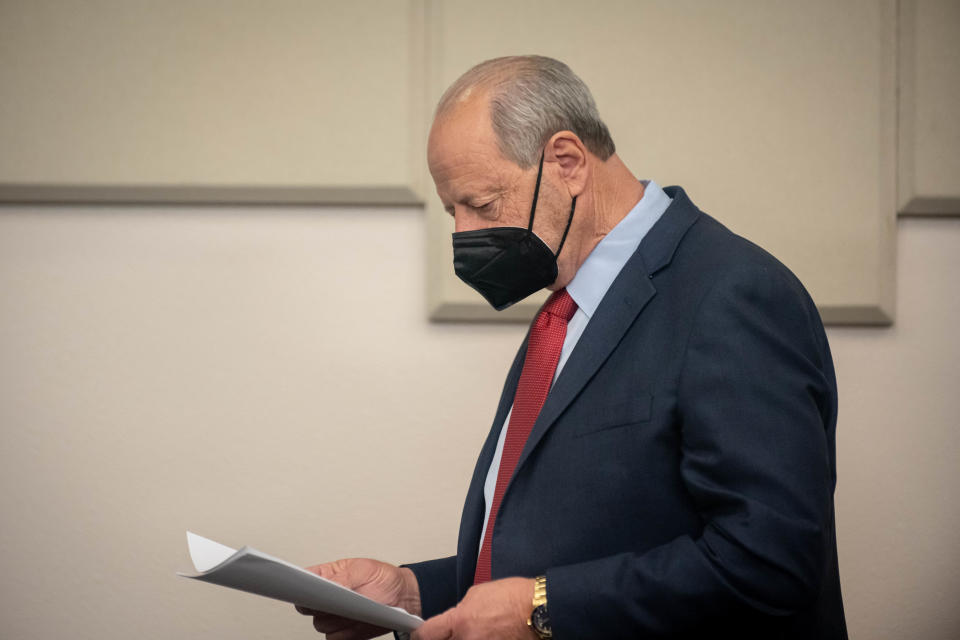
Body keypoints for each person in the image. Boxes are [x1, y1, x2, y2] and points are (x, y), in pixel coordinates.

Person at [296, 55, 847, 639]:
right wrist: (414, 592)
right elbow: (580, 541)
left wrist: (543, 610)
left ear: (567, 162)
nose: (463, 233)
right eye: (451, 210)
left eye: (481, 204)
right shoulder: (566, 304)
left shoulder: (732, 292)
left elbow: (772, 561)